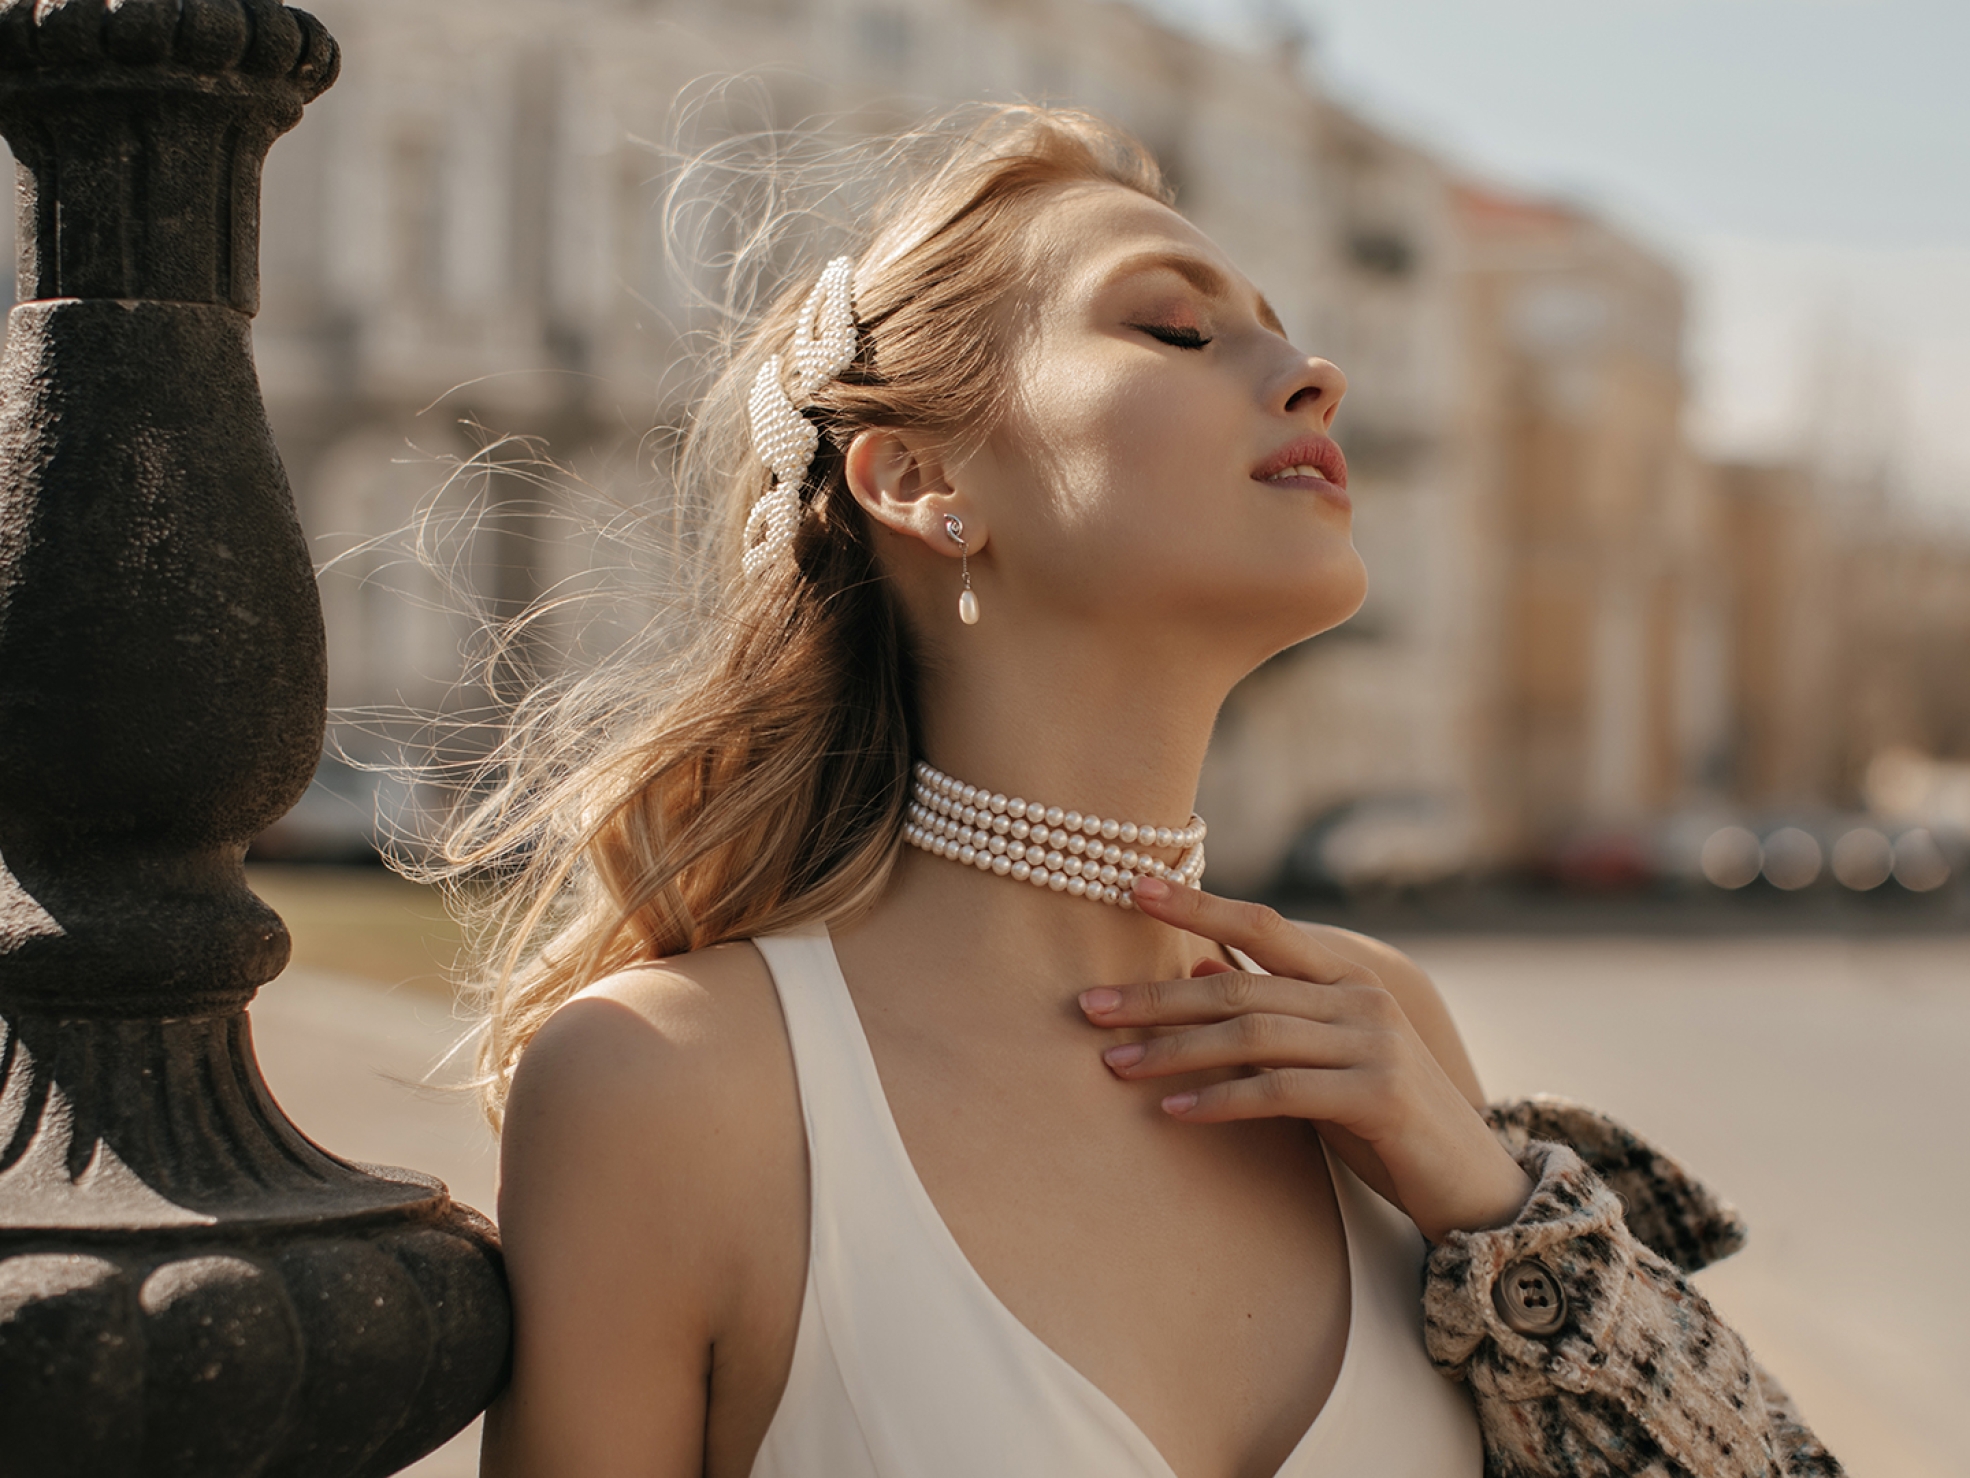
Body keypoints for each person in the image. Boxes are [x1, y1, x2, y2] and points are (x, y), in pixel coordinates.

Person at [458, 106, 1841, 1477]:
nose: (1316, 374)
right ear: (922, 476)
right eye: (1174, 329)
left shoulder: (1379, 1036)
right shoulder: (669, 1087)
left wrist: (1496, 1210)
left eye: (1283, 330)